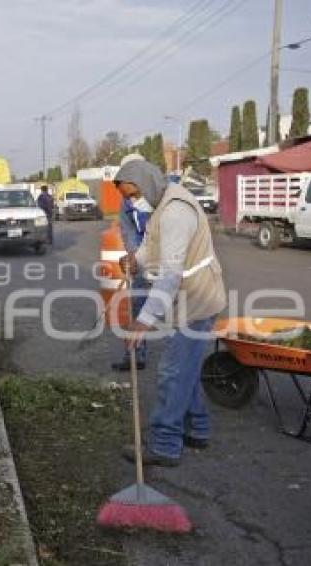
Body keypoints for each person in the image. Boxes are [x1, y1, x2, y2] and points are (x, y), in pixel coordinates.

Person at [115, 160, 226, 467]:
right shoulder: (162, 201)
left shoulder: (176, 211)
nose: (132, 201)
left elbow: (169, 275)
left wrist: (143, 321)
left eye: (133, 194)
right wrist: (135, 260)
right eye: (127, 197)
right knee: (185, 368)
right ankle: (198, 429)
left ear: (148, 183)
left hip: (197, 299)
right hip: (187, 298)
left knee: (173, 371)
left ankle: (164, 445)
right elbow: (152, 244)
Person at [113, 156, 152, 372]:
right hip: (141, 255)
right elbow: (128, 230)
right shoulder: (126, 200)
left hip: (169, 259)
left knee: (177, 311)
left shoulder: (161, 194)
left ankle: (181, 364)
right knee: (137, 305)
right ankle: (136, 357)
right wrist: (133, 255)